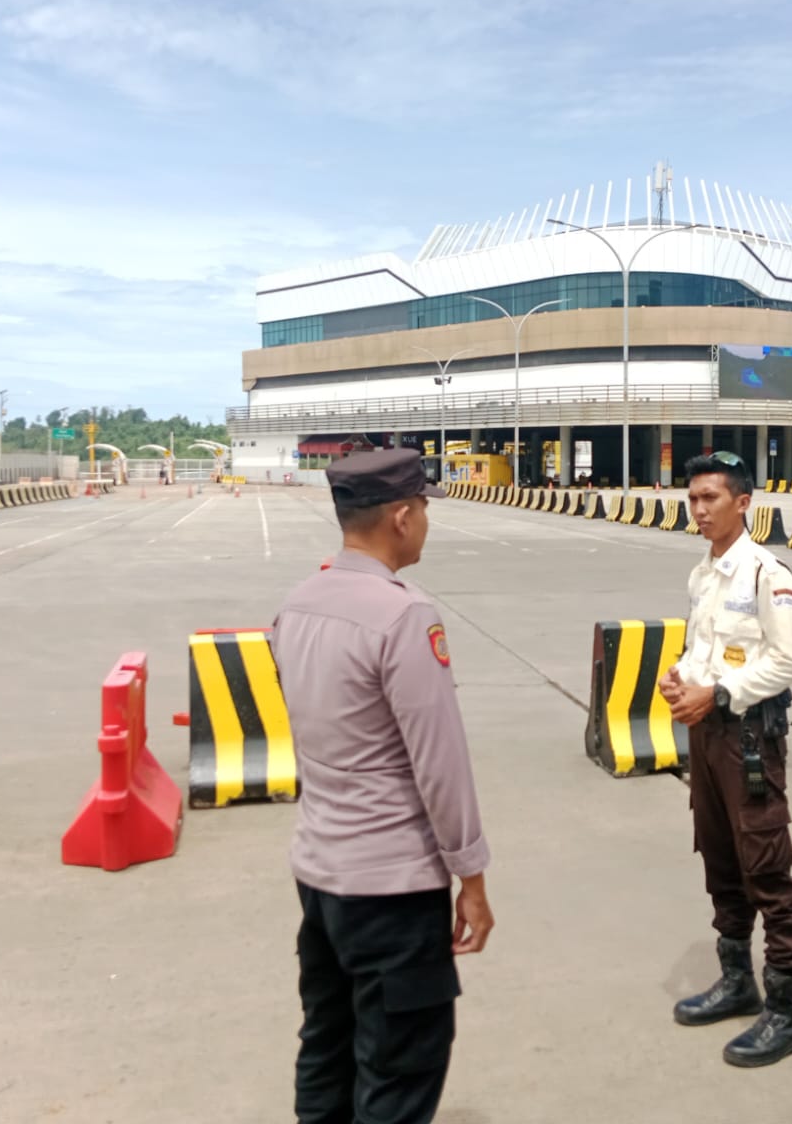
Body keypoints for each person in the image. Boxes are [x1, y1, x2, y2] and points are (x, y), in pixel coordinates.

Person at [269, 447, 494, 1124]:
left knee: (327, 1046)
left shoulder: (297, 604)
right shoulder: (404, 616)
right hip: (392, 888)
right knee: (399, 1068)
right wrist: (471, 877)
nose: (425, 522)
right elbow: (440, 763)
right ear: (400, 517)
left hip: (319, 875)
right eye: (422, 509)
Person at [658, 450, 792, 1068]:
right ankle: (737, 980)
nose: (699, 510)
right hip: (707, 735)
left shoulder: (766, 574)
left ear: (743, 503)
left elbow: (791, 658)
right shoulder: (703, 573)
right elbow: (703, 647)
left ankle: (786, 1009)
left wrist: (720, 693)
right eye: (693, 499)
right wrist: (680, 677)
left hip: (749, 739)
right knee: (720, 856)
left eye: (711, 498)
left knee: (765, 866)